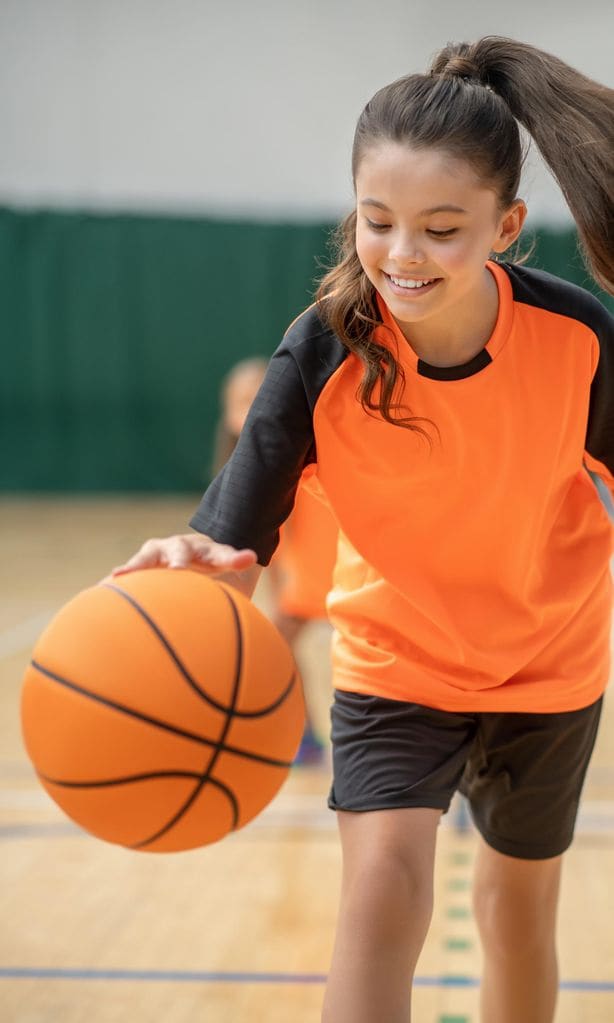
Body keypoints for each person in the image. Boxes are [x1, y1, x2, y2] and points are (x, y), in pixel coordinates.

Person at [113, 36, 614, 1023]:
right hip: (396, 665)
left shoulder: (576, 339)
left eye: (439, 228)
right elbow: (234, 528)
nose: (400, 254)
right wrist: (190, 562)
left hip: (549, 665)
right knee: (381, 893)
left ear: (505, 226)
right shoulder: (323, 351)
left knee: (517, 909)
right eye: (377, 222)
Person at [213, 357, 338, 763]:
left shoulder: (307, 451)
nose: (252, 408)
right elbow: (262, 554)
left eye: (259, 397)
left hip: (353, 581)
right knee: (276, 641)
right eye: (241, 401)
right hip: (308, 588)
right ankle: (305, 736)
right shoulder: (238, 484)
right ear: (229, 416)